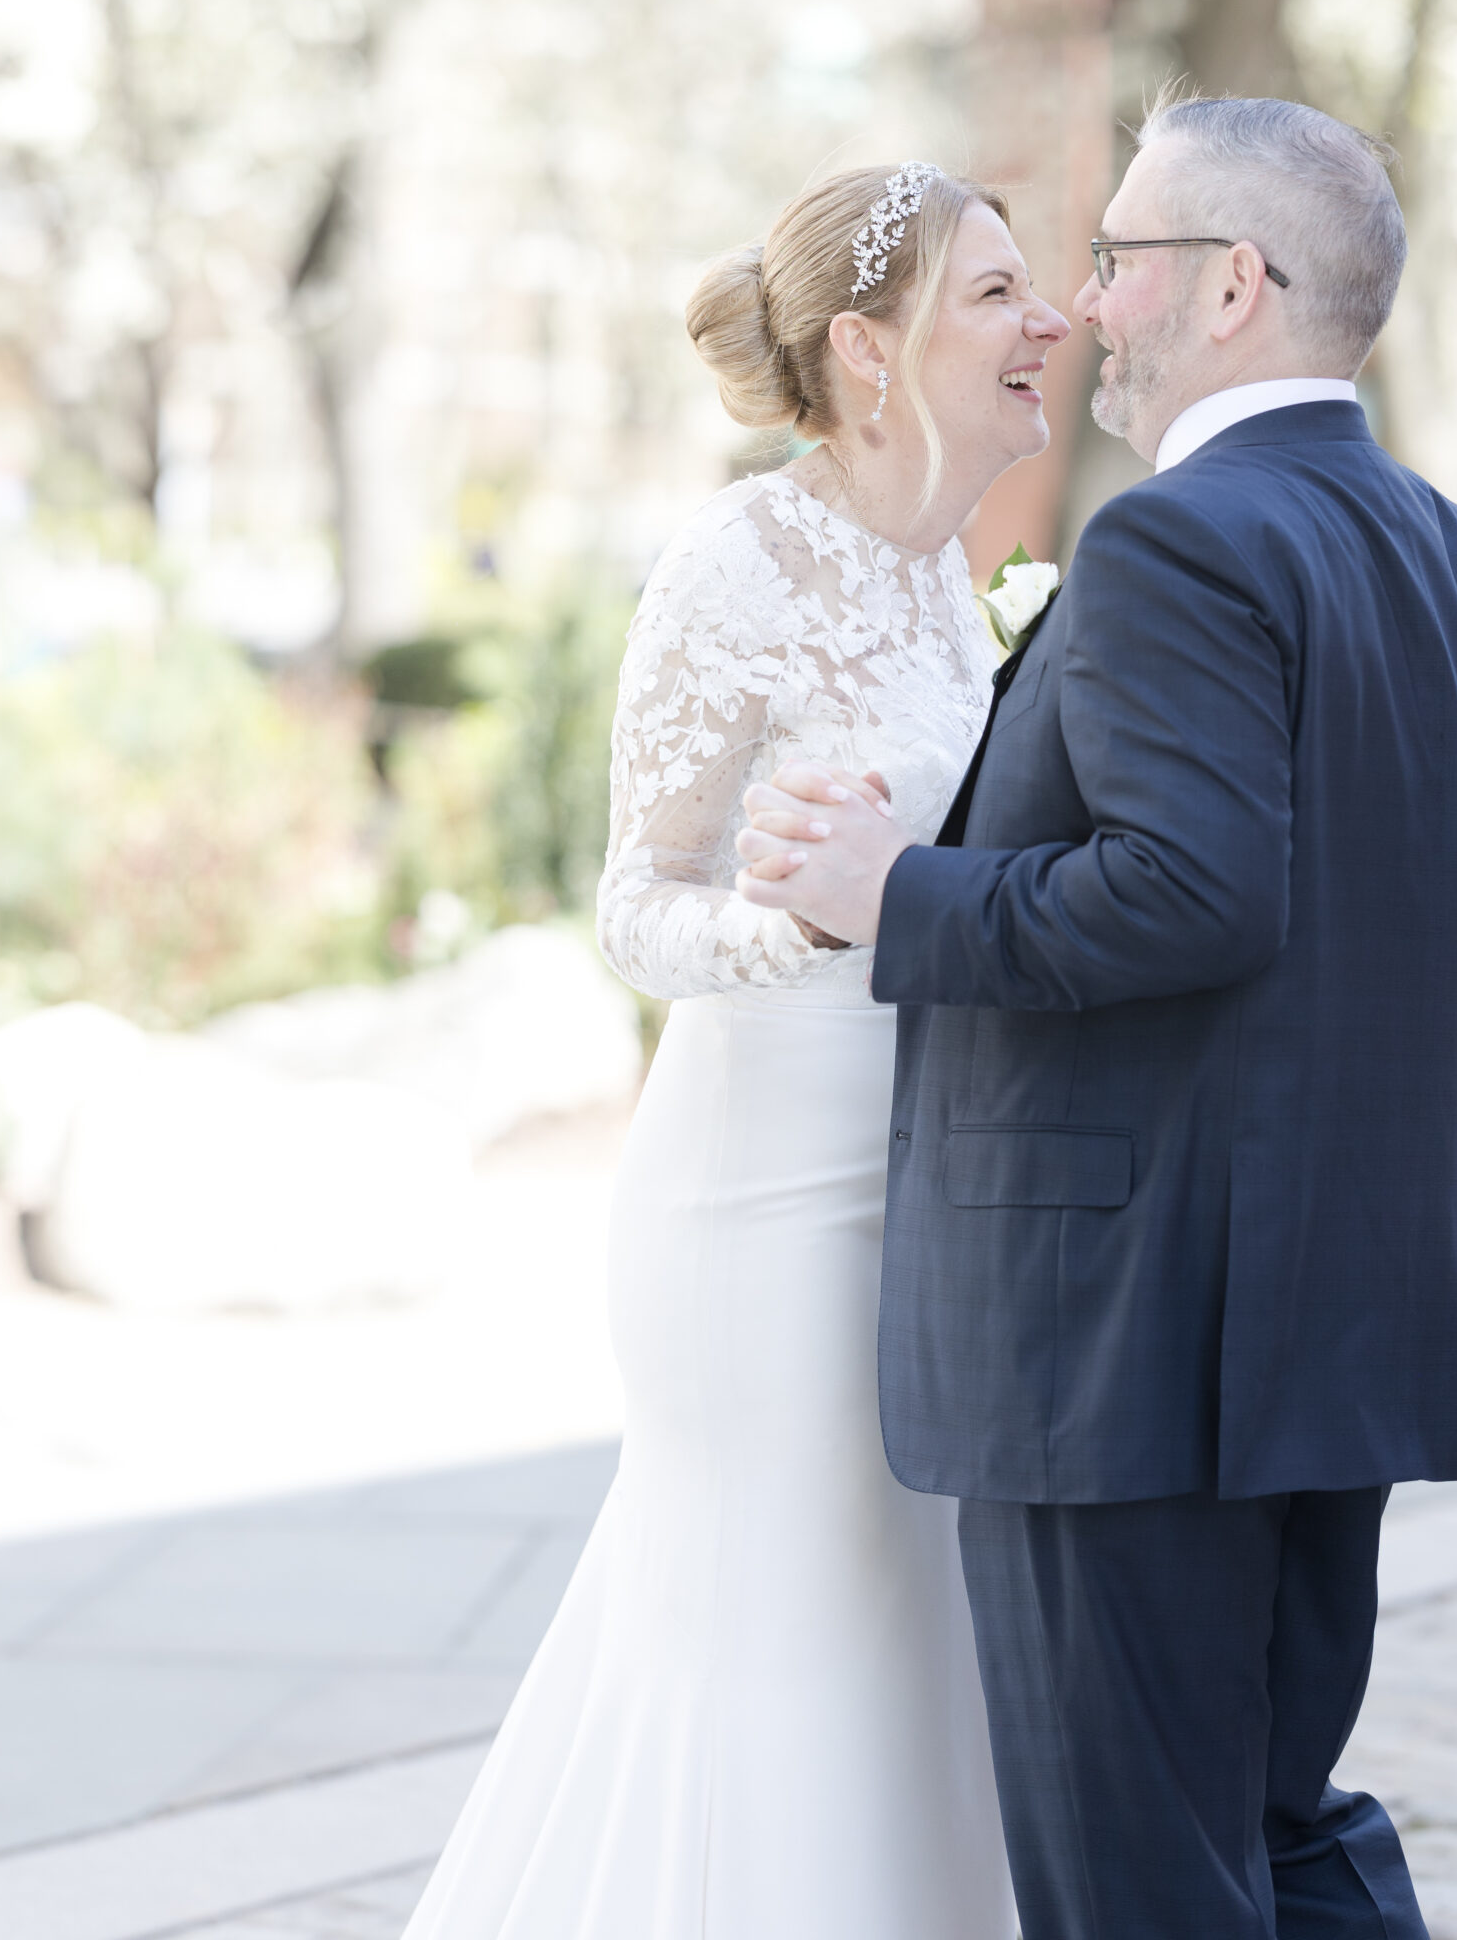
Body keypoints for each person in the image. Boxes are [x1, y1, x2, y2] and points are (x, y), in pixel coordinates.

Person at [739, 93, 1457, 1940]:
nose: (1085, 305)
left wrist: (895, 891)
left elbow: (1189, 893)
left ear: (1231, 286)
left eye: (1118, 257)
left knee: (1139, 1875)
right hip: (1344, 1319)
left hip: (1126, 1346)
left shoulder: (1173, 543)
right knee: (1275, 1832)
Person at [400, 162, 1070, 1940]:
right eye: (996, 292)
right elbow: (636, 904)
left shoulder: (946, 577)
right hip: (766, 1205)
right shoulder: (738, 560)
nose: (1053, 320)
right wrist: (812, 930)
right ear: (868, 349)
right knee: (784, 1653)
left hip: (934, 1193)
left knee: (908, 1664)